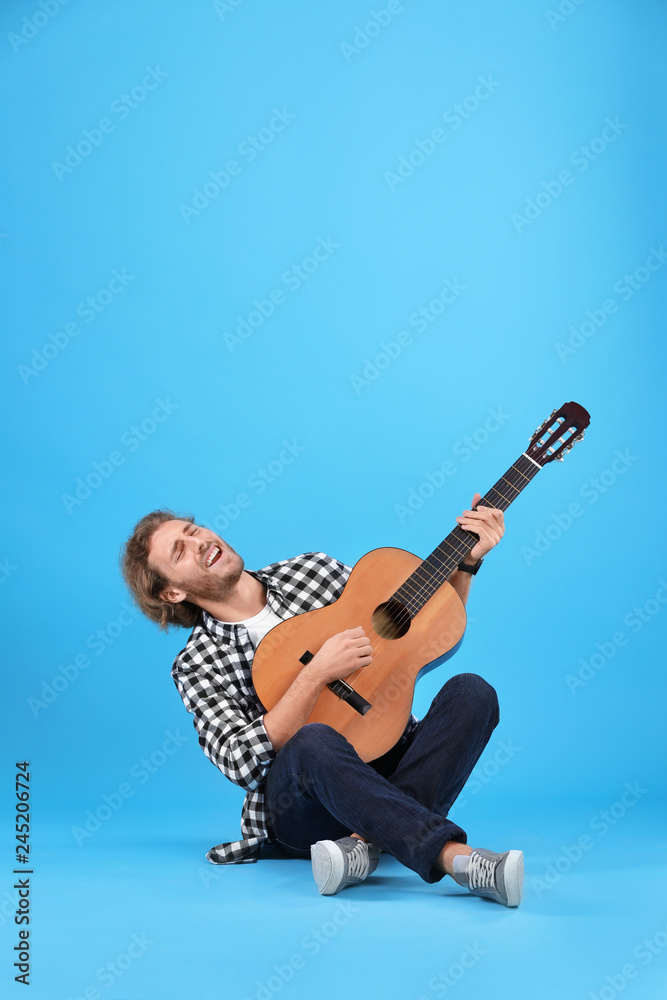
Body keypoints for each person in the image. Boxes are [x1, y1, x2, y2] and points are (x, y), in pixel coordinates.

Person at [120, 495, 523, 906]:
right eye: (180, 551)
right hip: (305, 804)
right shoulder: (196, 663)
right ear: (171, 593)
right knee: (314, 738)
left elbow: (425, 631)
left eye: (193, 531)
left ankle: (364, 846)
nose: (199, 541)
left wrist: (467, 565)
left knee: (473, 693)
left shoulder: (312, 570)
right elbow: (238, 760)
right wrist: (314, 675)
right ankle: (459, 859)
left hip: (388, 759)